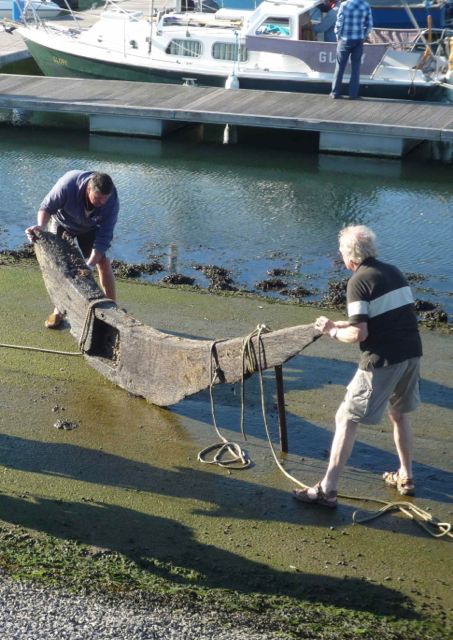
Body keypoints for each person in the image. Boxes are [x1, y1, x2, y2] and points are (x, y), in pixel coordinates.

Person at [293, 225, 422, 508]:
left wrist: (332, 332)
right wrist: (340, 322)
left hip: (382, 360)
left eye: (341, 253)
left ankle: (327, 489)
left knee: (346, 418)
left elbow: (358, 334)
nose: (341, 259)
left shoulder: (358, 282)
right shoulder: (393, 271)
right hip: (411, 354)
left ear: (350, 257)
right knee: (399, 414)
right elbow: (384, 317)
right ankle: (407, 476)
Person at [26, 170, 119, 328]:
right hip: (62, 223)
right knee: (62, 267)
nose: (102, 202)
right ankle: (59, 310)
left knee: (102, 262)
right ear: (88, 189)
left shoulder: (111, 202)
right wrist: (40, 227)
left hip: (89, 227)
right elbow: (47, 207)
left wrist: (88, 265)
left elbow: (104, 238)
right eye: (98, 198)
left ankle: (113, 311)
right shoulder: (68, 183)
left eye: (105, 199)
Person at [330, 0, 373, 99]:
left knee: (340, 67)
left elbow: (339, 22)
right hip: (358, 41)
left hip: (345, 39)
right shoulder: (365, 5)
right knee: (356, 68)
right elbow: (369, 24)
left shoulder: (344, 5)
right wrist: (364, 36)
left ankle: (335, 93)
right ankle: (353, 94)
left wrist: (337, 35)